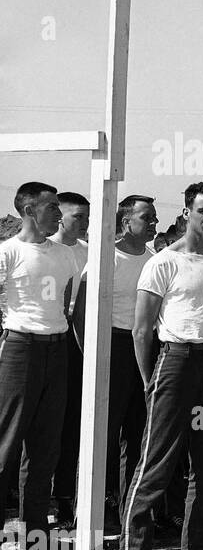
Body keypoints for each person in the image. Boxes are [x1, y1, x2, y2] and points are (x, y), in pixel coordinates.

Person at [120, 181, 203, 550]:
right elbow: (141, 329)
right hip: (175, 365)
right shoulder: (163, 262)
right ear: (187, 212)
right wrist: (150, 379)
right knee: (156, 463)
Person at [0, 182, 79, 545]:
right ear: (30, 210)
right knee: (7, 438)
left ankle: (34, 524)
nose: (58, 215)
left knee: (46, 442)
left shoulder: (65, 256)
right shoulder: (8, 252)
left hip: (56, 348)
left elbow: (64, 304)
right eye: (51, 208)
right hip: (20, 349)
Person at [72, 194, 157, 527]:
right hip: (110, 345)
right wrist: (91, 354)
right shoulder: (105, 258)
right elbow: (80, 314)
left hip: (144, 346)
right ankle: (87, 516)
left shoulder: (153, 259)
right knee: (101, 436)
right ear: (126, 222)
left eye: (154, 218)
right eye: (146, 217)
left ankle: (129, 516)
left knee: (137, 434)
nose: (153, 224)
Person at [50, 191, 90, 523]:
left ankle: (67, 497)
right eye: (78, 216)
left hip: (77, 344)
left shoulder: (90, 254)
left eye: (87, 217)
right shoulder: (48, 249)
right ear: (60, 215)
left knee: (73, 425)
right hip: (47, 340)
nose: (84, 222)